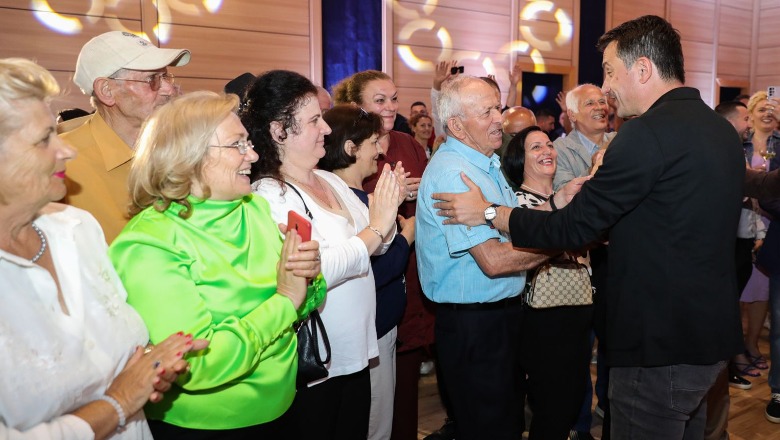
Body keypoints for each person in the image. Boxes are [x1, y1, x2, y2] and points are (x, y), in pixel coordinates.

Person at [432, 16, 745, 439]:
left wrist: (490, 213)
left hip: (659, 341)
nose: (608, 87)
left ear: (643, 69)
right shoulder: (719, 129)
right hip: (708, 333)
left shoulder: (645, 133)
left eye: (611, 72)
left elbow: (574, 229)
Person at [0, 58, 205, 439]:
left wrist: (152, 366)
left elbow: (118, 346)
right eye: (44, 139)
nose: (67, 150)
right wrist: (120, 401)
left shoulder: (77, 228)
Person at [107, 91, 326, 438]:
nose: (253, 154)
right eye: (237, 144)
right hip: (207, 425)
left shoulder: (252, 208)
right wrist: (285, 301)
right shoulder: (149, 244)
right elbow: (200, 365)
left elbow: (305, 302)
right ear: (190, 156)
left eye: (248, 142)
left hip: (285, 404)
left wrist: (308, 275)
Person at [244, 70, 404, 439]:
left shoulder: (329, 179)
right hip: (317, 362)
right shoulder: (269, 195)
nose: (327, 129)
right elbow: (316, 270)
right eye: (314, 120)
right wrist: (376, 228)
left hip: (356, 352)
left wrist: (386, 213)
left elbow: (379, 242)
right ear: (278, 131)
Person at [416, 75, 562, 440]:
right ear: (456, 126)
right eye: (487, 112)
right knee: (488, 426)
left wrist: (558, 206)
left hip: (497, 318)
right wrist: (561, 239)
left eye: (498, 107)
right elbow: (494, 261)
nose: (500, 117)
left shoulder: (484, 163)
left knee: (504, 421)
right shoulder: (455, 173)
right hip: (475, 325)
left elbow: (512, 226)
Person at [318, 104, 415, 440]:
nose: (380, 151)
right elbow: (374, 269)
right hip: (368, 331)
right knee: (373, 425)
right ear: (351, 148)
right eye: (373, 142)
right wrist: (406, 236)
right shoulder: (343, 199)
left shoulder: (355, 196)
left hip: (377, 327)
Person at [505, 125, 595, 439]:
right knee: (551, 403)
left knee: (571, 398)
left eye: (549, 145)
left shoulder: (569, 196)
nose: (547, 152)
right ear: (520, 160)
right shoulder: (517, 203)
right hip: (544, 317)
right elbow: (540, 242)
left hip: (580, 308)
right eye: (536, 147)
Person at [60, 31, 190, 242]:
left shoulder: (185, 147)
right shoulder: (62, 162)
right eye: (152, 79)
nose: (169, 89)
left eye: (166, 76)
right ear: (106, 91)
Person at [553, 84, 616, 191]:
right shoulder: (560, 149)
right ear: (572, 115)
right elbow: (563, 193)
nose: (599, 107)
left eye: (602, 102)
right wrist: (593, 169)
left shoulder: (618, 139)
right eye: (590, 103)